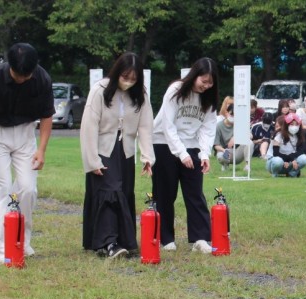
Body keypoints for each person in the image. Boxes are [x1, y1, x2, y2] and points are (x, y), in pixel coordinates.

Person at [0, 43, 54, 264]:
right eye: (18, 75)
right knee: (2, 189)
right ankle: (3, 252)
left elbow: (47, 116)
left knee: (28, 189)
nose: (22, 79)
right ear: (9, 66)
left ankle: (22, 242)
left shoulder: (42, 79)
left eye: (26, 75)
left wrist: (41, 150)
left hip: (26, 135)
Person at [80, 52, 154, 259]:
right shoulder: (100, 90)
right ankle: (108, 242)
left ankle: (123, 240)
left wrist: (147, 156)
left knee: (124, 192)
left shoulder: (141, 95)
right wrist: (92, 159)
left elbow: (146, 126)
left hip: (126, 151)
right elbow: (88, 126)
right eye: (125, 77)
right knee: (109, 192)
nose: (128, 82)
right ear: (116, 73)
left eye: (133, 79)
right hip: (103, 150)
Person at [151, 57, 219, 253]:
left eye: (210, 82)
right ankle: (165, 239)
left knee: (195, 192)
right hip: (163, 142)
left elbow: (208, 128)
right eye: (203, 81)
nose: (206, 86)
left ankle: (201, 238)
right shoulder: (175, 90)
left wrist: (204, 154)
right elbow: (167, 124)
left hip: (192, 145)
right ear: (194, 75)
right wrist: (181, 153)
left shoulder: (209, 98)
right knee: (165, 192)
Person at [267, 112, 306, 177]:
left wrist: (291, 160)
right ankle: (275, 174)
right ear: (286, 125)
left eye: (296, 124)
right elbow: (275, 153)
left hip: (290, 163)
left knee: (304, 158)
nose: (294, 127)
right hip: (276, 162)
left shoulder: (300, 136)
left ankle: (292, 173)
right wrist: (287, 160)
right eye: (292, 124)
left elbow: (301, 151)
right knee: (278, 160)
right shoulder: (278, 135)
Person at [213, 104, 250, 170]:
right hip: (225, 150)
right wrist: (224, 150)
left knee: (249, 142)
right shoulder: (218, 126)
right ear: (226, 113)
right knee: (221, 156)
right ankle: (225, 165)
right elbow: (216, 145)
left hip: (237, 151)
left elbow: (250, 135)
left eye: (235, 115)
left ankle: (247, 165)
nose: (233, 117)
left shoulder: (240, 124)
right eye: (231, 114)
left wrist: (236, 137)